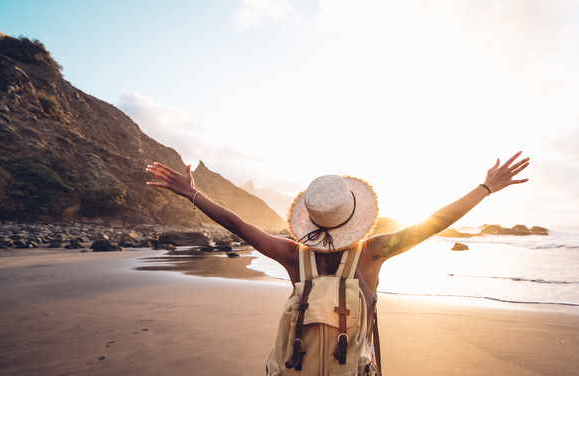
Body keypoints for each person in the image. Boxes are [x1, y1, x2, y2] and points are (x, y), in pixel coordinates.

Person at [146, 151, 529, 374]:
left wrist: (193, 195)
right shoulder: (373, 252)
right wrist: (486, 188)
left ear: (310, 220)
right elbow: (433, 223)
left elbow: (240, 226)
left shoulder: (293, 255)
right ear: (356, 215)